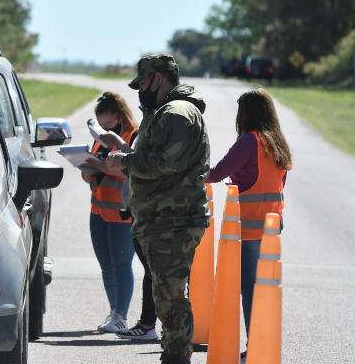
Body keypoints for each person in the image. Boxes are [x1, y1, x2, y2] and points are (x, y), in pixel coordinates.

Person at [105, 54, 210, 364]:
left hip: (173, 220)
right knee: (167, 296)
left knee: (172, 298)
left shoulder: (176, 113)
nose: (141, 90)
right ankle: (175, 355)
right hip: (162, 219)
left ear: (159, 78)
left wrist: (124, 161)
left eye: (144, 83)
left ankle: (176, 359)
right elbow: (157, 157)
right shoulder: (162, 112)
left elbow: (165, 163)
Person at [206, 88, 291, 362]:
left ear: (246, 114)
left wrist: (187, 172)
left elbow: (218, 173)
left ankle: (255, 345)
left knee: (250, 290)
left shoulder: (249, 141)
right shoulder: (277, 142)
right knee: (265, 289)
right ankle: (262, 343)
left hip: (250, 226)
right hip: (273, 225)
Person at [97, 107, 161, 342]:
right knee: (149, 272)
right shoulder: (148, 127)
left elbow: (142, 162)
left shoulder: (155, 127)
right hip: (134, 207)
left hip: (143, 210)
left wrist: (117, 146)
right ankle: (145, 324)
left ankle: (148, 325)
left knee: (153, 272)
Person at [80, 92, 138, 334]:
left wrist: (105, 167)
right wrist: (86, 167)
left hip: (123, 213)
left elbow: (133, 173)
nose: (104, 124)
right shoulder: (99, 138)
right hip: (99, 210)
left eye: (108, 119)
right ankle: (114, 312)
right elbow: (90, 175)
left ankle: (121, 315)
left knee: (121, 264)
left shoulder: (133, 137)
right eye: (101, 120)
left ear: (120, 115)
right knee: (106, 266)